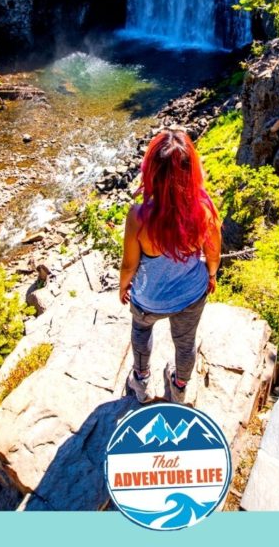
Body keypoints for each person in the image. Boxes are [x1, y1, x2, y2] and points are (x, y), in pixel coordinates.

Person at [119, 127, 221, 403]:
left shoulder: (138, 216)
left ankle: (140, 383)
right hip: (191, 294)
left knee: (141, 332)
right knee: (185, 341)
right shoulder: (204, 210)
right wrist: (211, 276)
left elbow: (129, 264)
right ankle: (179, 386)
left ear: (151, 170)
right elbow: (213, 255)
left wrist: (123, 287)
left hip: (148, 299)